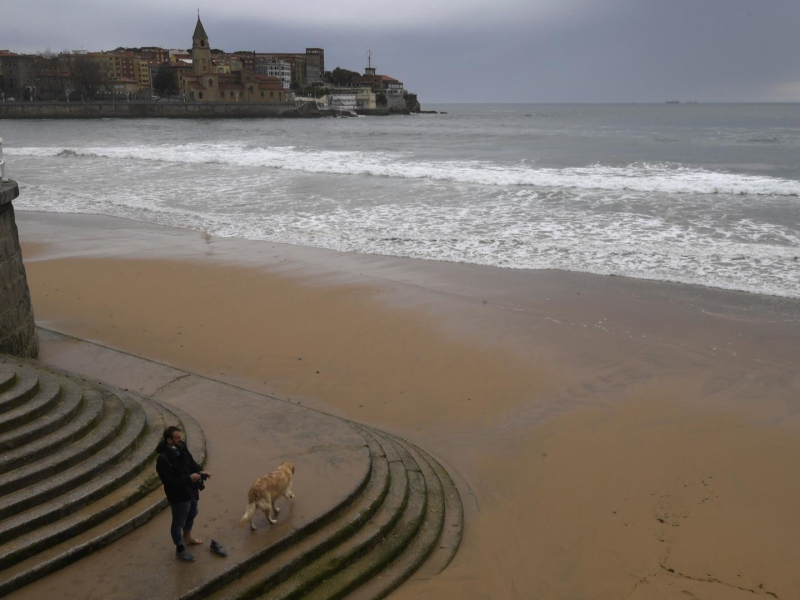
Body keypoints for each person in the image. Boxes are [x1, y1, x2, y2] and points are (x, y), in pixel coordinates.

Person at [156, 425, 211, 562]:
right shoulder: (162, 460)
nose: (180, 439)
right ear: (169, 440)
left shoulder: (182, 447)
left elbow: (191, 463)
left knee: (193, 512)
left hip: (190, 490)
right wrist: (188, 478)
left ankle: (187, 536)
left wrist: (200, 471)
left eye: (180, 437)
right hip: (178, 496)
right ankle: (180, 549)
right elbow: (169, 482)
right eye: (177, 437)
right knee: (178, 522)